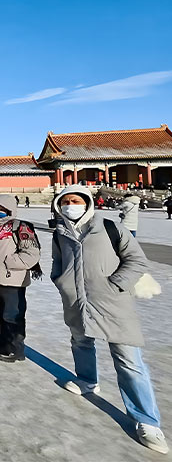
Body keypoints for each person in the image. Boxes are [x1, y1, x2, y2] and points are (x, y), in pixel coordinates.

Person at [51, 185, 168, 454]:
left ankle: (146, 420)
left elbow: (136, 260)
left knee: (128, 360)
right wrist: (62, 282)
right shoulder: (60, 234)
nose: (71, 205)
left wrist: (114, 284)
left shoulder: (110, 227)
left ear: (88, 203)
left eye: (76, 200)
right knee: (80, 342)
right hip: (76, 300)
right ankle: (87, 380)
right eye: (66, 201)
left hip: (112, 301)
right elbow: (58, 263)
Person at [0, 194, 41, 363]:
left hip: (11, 280)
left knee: (12, 316)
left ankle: (14, 347)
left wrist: (8, 262)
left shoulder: (20, 227)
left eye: (1, 209)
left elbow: (31, 254)